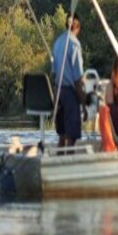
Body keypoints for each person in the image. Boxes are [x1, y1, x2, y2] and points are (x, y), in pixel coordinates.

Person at [51, 13, 84, 148]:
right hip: (70, 92)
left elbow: (53, 72)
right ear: (78, 27)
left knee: (62, 134)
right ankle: (68, 160)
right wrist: (83, 100)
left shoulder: (58, 42)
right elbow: (78, 77)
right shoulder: (74, 44)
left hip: (58, 91)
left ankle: (58, 158)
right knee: (72, 135)